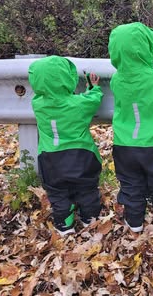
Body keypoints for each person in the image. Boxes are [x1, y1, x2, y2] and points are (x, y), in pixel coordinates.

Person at [108, 22, 153, 233]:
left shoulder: (116, 80)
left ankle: (134, 223)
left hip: (124, 145)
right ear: (147, 47)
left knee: (131, 185)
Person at [28, 56, 104, 236]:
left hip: (50, 159)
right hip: (80, 156)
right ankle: (89, 219)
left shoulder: (37, 104)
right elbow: (93, 99)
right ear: (66, 78)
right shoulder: (78, 104)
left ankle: (64, 225)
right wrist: (93, 87)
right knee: (87, 189)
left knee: (57, 193)